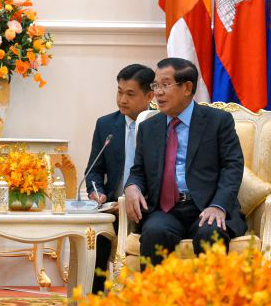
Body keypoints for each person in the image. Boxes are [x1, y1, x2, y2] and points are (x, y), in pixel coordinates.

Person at [124, 57, 245, 265]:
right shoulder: (148, 127)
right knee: (154, 232)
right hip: (165, 210)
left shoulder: (218, 121)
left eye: (165, 85)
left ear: (187, 88)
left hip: (208, 206)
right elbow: (139, 171)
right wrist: (132, 186)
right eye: (155, 85)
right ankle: (153, 288)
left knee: (210, 233)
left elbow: (232, 166)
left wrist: (219, 205)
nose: (158, 93)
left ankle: (210, 288)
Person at [85, 64, 154, 293]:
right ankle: (94, 301)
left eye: (130, 94)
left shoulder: (160, 124)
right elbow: (93, 171)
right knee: (95, 234)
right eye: (119, 92)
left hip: (148, 206)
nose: (122, 100)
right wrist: (96, 192)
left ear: (149, 96)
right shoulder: (106, 124)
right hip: (112, 205)